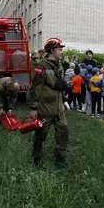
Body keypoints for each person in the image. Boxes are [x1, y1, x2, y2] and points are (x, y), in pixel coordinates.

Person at [28, 37, 69, 167]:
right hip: (46, 108)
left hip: (59, 108)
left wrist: (65, 97)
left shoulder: (59, 64)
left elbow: (60, 84)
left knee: (63, 132)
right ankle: (37, 157)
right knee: (41, 134)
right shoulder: (42, 66)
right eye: (59, 49)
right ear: (52, 50)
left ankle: (60, 157)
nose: (61, 52)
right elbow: (36, 87)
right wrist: (34, 107)